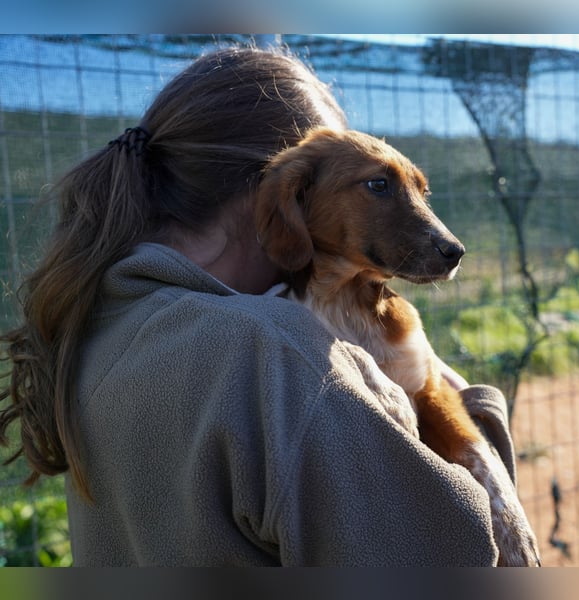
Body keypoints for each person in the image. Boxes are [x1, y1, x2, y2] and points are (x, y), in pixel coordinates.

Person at [0, 45, 522, 566]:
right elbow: (461, 555)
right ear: (284, 195)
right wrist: (469, 403)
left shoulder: (93, 327)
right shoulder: (279, 355)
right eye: (373, 186)